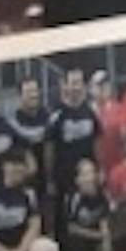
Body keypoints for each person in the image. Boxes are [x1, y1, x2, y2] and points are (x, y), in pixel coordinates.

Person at [47, 69, 102, 214]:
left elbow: (97, 144)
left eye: (79, 83)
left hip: (87, 178)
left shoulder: (91, 112)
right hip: (63, 178)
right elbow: (49, 149)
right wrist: (50, 178)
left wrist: (99, 169)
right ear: (64, 86)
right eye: (73, 83)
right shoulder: (56, 115)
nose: (76, 87)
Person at [61, 158, 114, 251]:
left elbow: (104, 219)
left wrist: (106, 240)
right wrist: (98, 236)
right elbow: (71, 228)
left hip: (94, 237)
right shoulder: (73, 197)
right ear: (77, 179)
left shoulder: (101, 193)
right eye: (85, 174)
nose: (89, 178)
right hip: (77, 237)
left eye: (91, 173)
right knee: (75, 244)